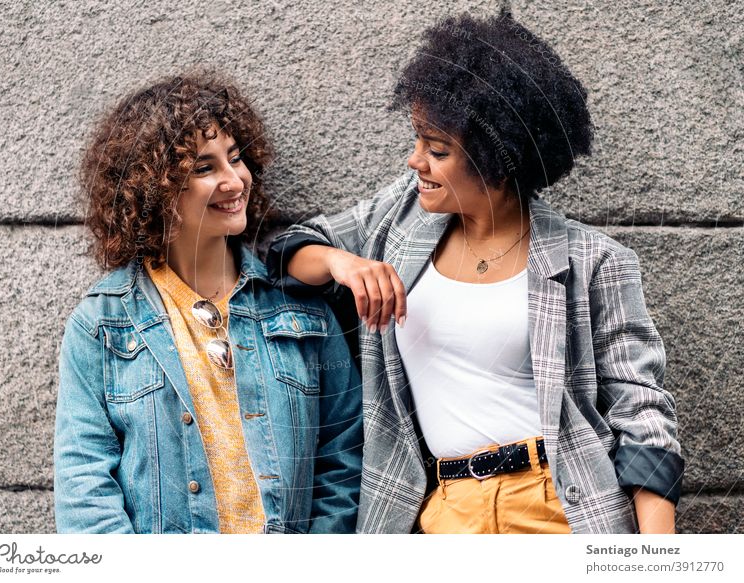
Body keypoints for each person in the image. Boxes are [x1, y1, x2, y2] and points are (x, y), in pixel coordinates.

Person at [268, 13, 684, 534]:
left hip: (562, 509)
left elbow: (642, 416)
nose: (414, 160)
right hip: (441, 512)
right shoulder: (399, 220)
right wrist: (340, 262)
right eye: (418, 139)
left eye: (436, 149)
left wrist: (656, 559)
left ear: (498, 160)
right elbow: (285, 251)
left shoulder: (594, 261)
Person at [54, 70, 363, 533]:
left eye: (235, 159)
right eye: (204, 168)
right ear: (153, 190)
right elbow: (85, 489)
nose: (234, 180)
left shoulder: (300, 308)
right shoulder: (102, 323)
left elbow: (343, 457)